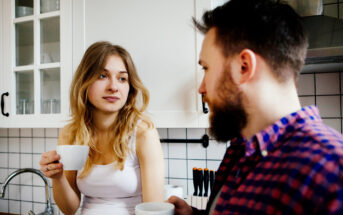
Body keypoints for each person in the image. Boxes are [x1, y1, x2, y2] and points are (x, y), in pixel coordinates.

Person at [168, 0, 343, 214]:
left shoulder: (331, 171)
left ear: (244, 67)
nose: (201, 88)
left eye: (206, 68)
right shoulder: (241, 149)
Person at [39, 41, 165, 215]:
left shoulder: (144, 133)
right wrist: (58, 177)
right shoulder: (71, 133)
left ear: (130, 87)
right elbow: (69, 209)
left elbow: (154, 210)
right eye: (102, 76)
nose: (113, 87)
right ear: (85, 81)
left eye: (122, 78)